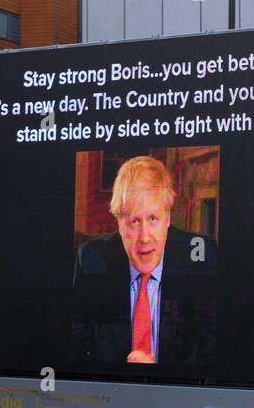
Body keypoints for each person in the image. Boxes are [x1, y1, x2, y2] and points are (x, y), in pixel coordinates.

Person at [70, 155, 217, 369]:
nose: (145, 236)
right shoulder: (92, 260)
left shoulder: (200, 259)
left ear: (167, 218)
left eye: (153, 219)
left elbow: (213, 356)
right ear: (119, 224)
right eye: (134, 222)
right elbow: (77, 352)